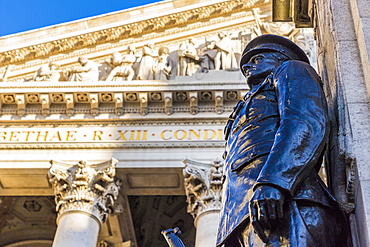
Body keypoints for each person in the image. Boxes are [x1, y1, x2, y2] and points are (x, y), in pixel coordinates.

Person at [217, 34, 349, 247]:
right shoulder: (242, 108)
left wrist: (274, 182)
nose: (248, 67)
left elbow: (304, 122)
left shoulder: (291, 70)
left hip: (285, 201)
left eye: (257, 59)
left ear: (281, 58)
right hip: (246, 214)